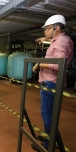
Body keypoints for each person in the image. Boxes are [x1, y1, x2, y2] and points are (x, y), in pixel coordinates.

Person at [31, 14, 74, 151]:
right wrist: (46, 38)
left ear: (57, 27)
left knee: (47, 114)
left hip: (51, 83)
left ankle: (49, 145)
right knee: (49, 114)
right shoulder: (61, 40)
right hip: (50, 82)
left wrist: (39, 64)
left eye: (48, 28)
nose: (45, 31)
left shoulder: (62, 42)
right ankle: (50, 137)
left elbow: (59, 65)